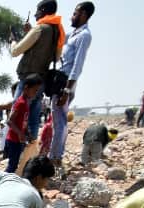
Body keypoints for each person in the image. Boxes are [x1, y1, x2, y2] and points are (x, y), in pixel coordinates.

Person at [10, 0, 65, 140]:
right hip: (42, 80)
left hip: (27, 80)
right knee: (34, 117)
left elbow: (15, 51)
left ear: (44, 10)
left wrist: (12, 40)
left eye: (38, 11)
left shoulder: (39, 29)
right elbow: (56, 57)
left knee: (17, 115)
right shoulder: (57, 31)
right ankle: (31, 148)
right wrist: (30, 33)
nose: (35, 14)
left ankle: (16, 149)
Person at [50, 2, 94, 166]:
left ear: (83, 14)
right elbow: (59, 41)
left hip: (65, 83)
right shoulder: (74, 34)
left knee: (60, 122)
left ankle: (55, 158)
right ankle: (54, 155)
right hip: (60, 80)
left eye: (75, 13)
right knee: (57, 120)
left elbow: (77, 64)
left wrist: (67, 89)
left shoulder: (84, 36)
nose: (71, 16)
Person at [0, 74, 44, 173]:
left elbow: (24, 122)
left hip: (19, 139)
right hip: (14, 139)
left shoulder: (26, 103)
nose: (36, 93)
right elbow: (10, 121)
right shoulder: (20, 103)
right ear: (26, 88)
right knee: (12, 166)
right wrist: (20, 133)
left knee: (15, 164)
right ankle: (3, 183)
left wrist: (27, 133)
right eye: (35, 90)